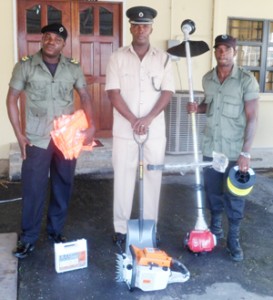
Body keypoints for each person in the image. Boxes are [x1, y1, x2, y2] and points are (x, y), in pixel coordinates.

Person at [6, 23, 95, 259]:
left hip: (66, 137)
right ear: (42, 39)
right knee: (33, 188)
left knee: (63, 184)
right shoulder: (26, 66)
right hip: (37, 137)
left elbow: (84, 95)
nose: (51, 41)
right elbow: (11, 99)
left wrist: (91, 125)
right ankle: (28, 238)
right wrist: (19, 134)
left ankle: (55, 231)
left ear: (64, 43)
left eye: (57, 38)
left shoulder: (72, 68)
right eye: (47, 36)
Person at [105, 6, 175, 247]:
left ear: (151, 28)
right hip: (125, 131)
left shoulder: (165, 59)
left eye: (145, 25)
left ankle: (150, 226)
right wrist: (134, 120)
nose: (141, 29)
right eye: (136, 25)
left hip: (154, 132)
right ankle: (121, 228)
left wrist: (148, 119)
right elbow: (113, 93)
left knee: (153, 177)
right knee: (123, 178)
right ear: (131, 28)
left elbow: (167, 93)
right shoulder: (117, 57)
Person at [187, 34, 259, 261]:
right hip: (211, 148)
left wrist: (246, 152)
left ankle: (233, 239)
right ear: (215, 52)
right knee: (213, 192)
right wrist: (196, 108)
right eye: (219, 49)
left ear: (234, 52)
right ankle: (216, 229)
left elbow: (253, 118)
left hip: (234, 151)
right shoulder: (207, 79)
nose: (223, 53)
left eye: (227, 49)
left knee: (235, 197)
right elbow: (209, 106)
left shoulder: (246, 80)